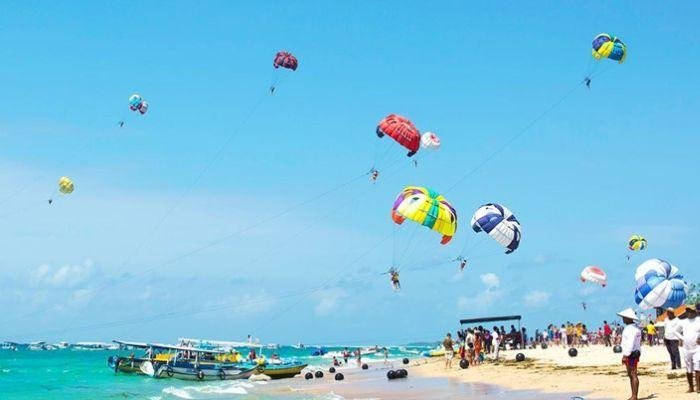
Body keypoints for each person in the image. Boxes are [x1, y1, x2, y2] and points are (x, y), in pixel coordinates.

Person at [619, 307, 642, 400]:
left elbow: (630, 343)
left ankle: (634, 396)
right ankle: (633, 395)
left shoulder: (630, 329)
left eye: (624, 317)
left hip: (631, 353)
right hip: (635, 352)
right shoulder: (635, 328)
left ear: (628, 318)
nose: (623, 319)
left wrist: (625, 355)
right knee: (631, 374)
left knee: (633, 374)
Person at [678, 304, 700, 393]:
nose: (689, 313)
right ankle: (691, 387)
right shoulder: (684, 322)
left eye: (690, 311)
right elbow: (675, 331)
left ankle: (698, 387)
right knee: (688, 368)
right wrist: (682, 338)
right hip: (686, 348)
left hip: (697, 348)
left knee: (698, 367)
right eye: (687, 311)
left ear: (694, 312)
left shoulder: (698, 320)